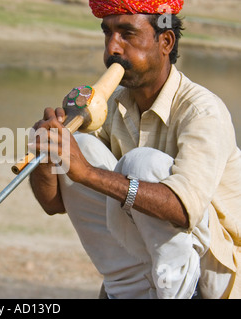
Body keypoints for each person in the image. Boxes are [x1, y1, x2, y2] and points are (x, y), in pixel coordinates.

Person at [29, 0, 241, 299]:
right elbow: (54, 204)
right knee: (83, 145)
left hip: (212, 277)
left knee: (142, 164)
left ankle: (178, 292)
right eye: (108, 34)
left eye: (127, 34)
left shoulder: (202, 111)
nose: (113, 48)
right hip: (142, 266)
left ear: (165, 41)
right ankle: (125, 288)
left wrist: (86, 173)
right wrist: (48, 154)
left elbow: (182, 209)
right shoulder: (112, 105)